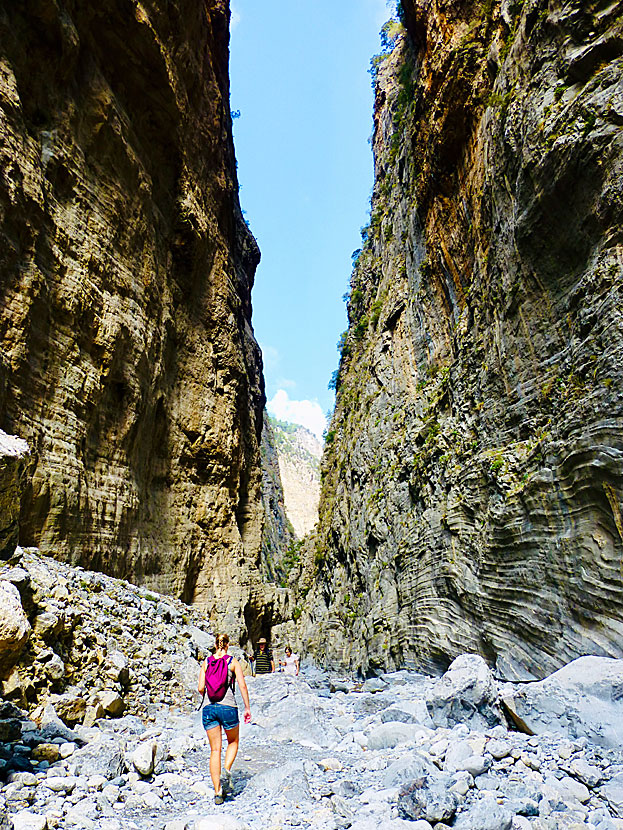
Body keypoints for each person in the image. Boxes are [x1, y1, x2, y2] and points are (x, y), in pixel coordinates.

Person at [198, 633, 251, 805]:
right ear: (227, 645)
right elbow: (242, 685)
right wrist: (247, 708)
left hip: (209, 707)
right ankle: (226, 770)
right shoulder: (233, 662)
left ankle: (217, 792)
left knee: (215, 750)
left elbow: (200, 688)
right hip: (228, 707)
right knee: (233, 741)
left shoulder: (206, 662)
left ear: (215, 645)